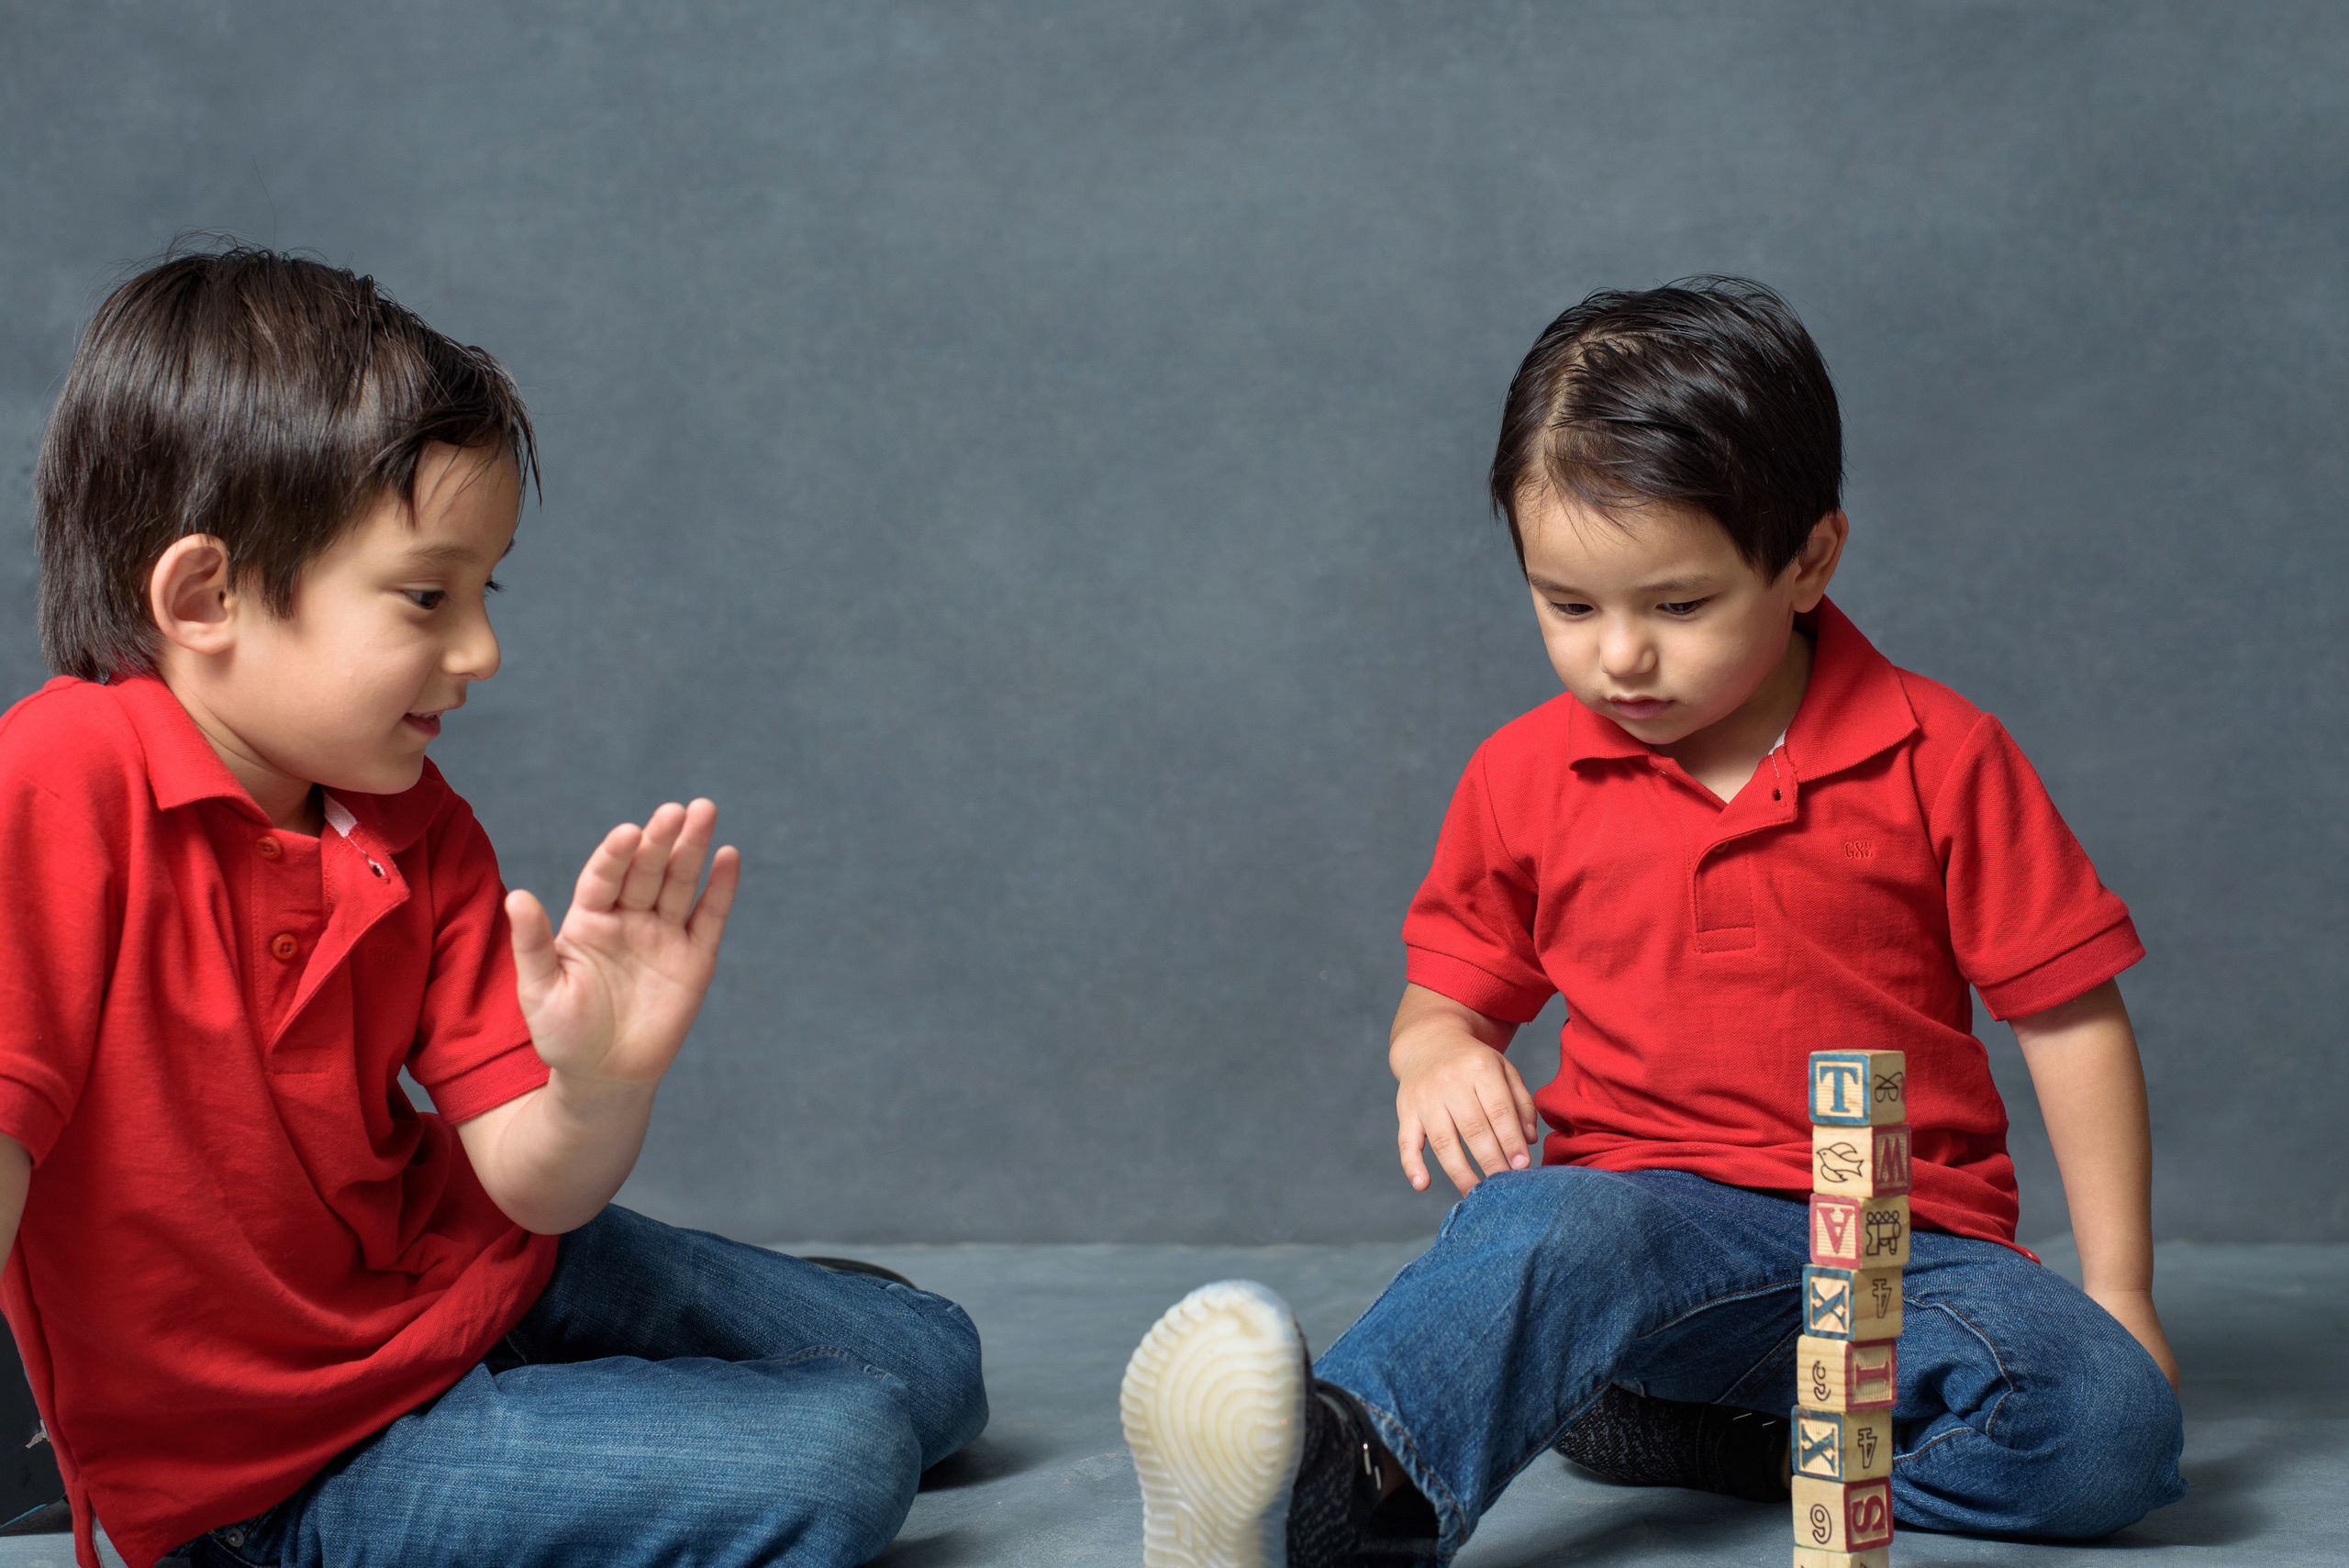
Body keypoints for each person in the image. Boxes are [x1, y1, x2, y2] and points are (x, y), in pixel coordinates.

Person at [1119, 279, 2185, 1567]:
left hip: (1911, 1258)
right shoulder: (1521, 775)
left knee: (2110, 1429)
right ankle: (1340, 1487)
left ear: (1809, 561)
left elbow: (2069, 1018)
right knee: (1540, 1225)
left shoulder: (1940, 755)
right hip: (1638, 1233)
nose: (1619, 656)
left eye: (1677, 607)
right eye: (1570, 606)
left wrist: (2120, 1286)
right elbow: (1448, 994)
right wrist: (1434, 1049)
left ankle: (1709, 1442)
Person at [0, 246, 986, 1568]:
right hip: (284, 1467)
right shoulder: (55, 780)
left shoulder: (411, 817)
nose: (480, 651)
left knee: (939, 1366)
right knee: (848, 1450)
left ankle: (615, 1385)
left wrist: (599, 1087)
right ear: (206, 597)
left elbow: (532, 1179)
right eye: (428, 596)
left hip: (471, 1263)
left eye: (484, 592)